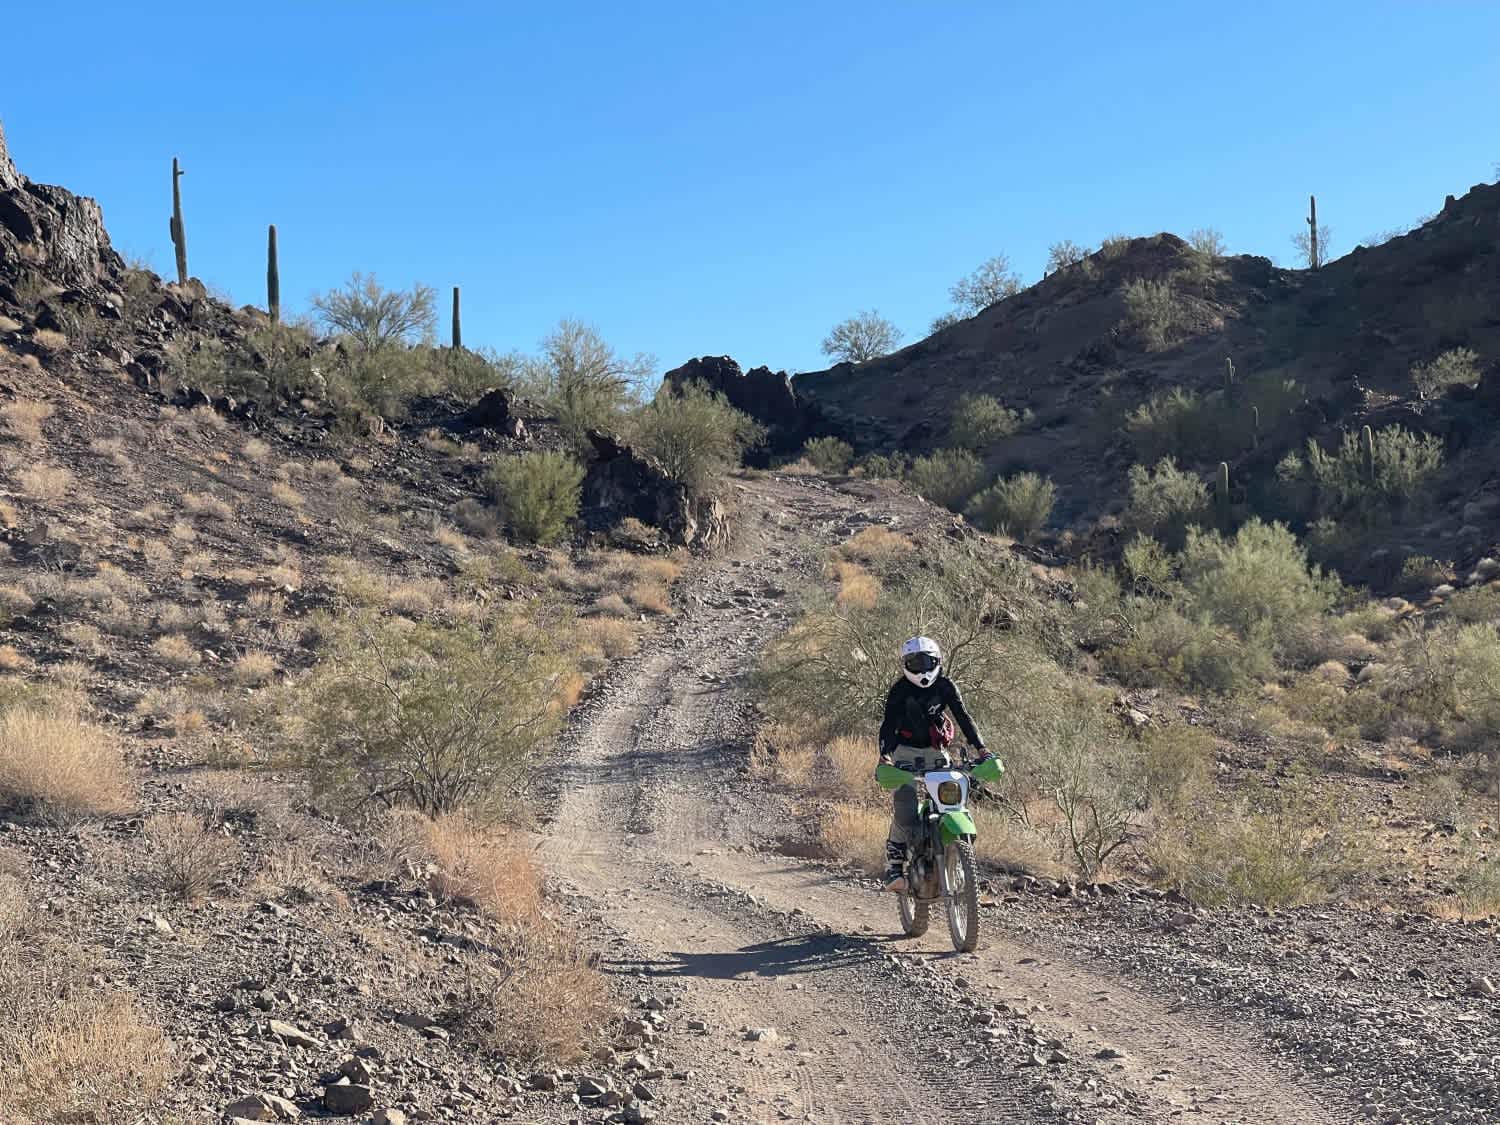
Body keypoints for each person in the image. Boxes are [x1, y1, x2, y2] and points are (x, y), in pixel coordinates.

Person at [877, 635, 986, 893]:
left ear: (937, 661)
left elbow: (963, 717)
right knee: (905, 807)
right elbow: (889, 724)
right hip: (904, 753)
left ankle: (955, 855)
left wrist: (982, 749)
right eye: (914, 663)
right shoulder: (900, 690)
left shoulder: (946, 686)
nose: (921, 669)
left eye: (926, 662)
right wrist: (885, 756)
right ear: (905, 664)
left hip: (937, 753)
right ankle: (895, 867)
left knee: (952, 800)